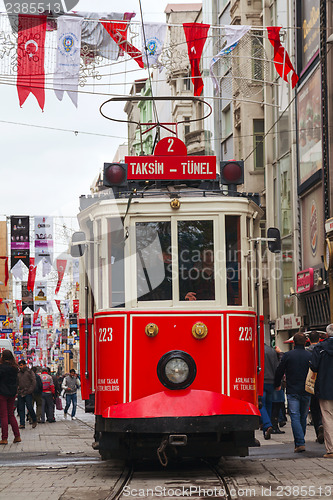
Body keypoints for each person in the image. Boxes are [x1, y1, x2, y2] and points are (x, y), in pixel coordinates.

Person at [274, 332, 312, 453]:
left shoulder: (288, 355)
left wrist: (277, 384)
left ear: (294, 343)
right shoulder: (309, 355)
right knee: (303, 416)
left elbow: (279, 371)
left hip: (292, 390)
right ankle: (301, 440)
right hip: (306, 390)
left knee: (295, 416)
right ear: (305, 342)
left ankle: (300, 442)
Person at [310, 323, 333, 458]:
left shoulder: (320, 348)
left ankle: (331, 449)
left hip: (325, 388)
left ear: (326, 334)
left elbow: (313, 367)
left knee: (328, 418)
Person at [306, 331, 324, 444]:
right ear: (319, 338)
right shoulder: (323, 350)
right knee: (325, 409)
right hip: (324, 383)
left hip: (312, 384)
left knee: (314, 409)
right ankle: (324, 427)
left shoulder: (307, 352)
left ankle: (318, 430)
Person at [0, 350, 21, 444]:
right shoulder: (15, 368)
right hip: (12, 393)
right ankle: (17, 436)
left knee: (3, 416)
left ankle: (4, 438)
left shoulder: (1, 368)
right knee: (11, 415)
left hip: (2, 393)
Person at [260, 343, 279, 440]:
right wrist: (277, 383)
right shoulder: (272, 351)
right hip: (271, 381)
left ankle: (267, 425)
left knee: (261, 404)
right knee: (268, 405)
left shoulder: (257, 350)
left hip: (261, 381)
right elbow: (276, 368)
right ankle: (266, 429)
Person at [17, 359, 37, 429]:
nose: (20, 367)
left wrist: (30, 390)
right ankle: (22, 424)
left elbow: (34, 382)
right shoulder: (18, 373)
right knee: (21, 409)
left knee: (29, 407)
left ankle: (34, 420)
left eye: (21, 365)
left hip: (28, 393)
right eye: (19, 365)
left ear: (25, 365)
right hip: (20, 393)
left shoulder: (29, 372)